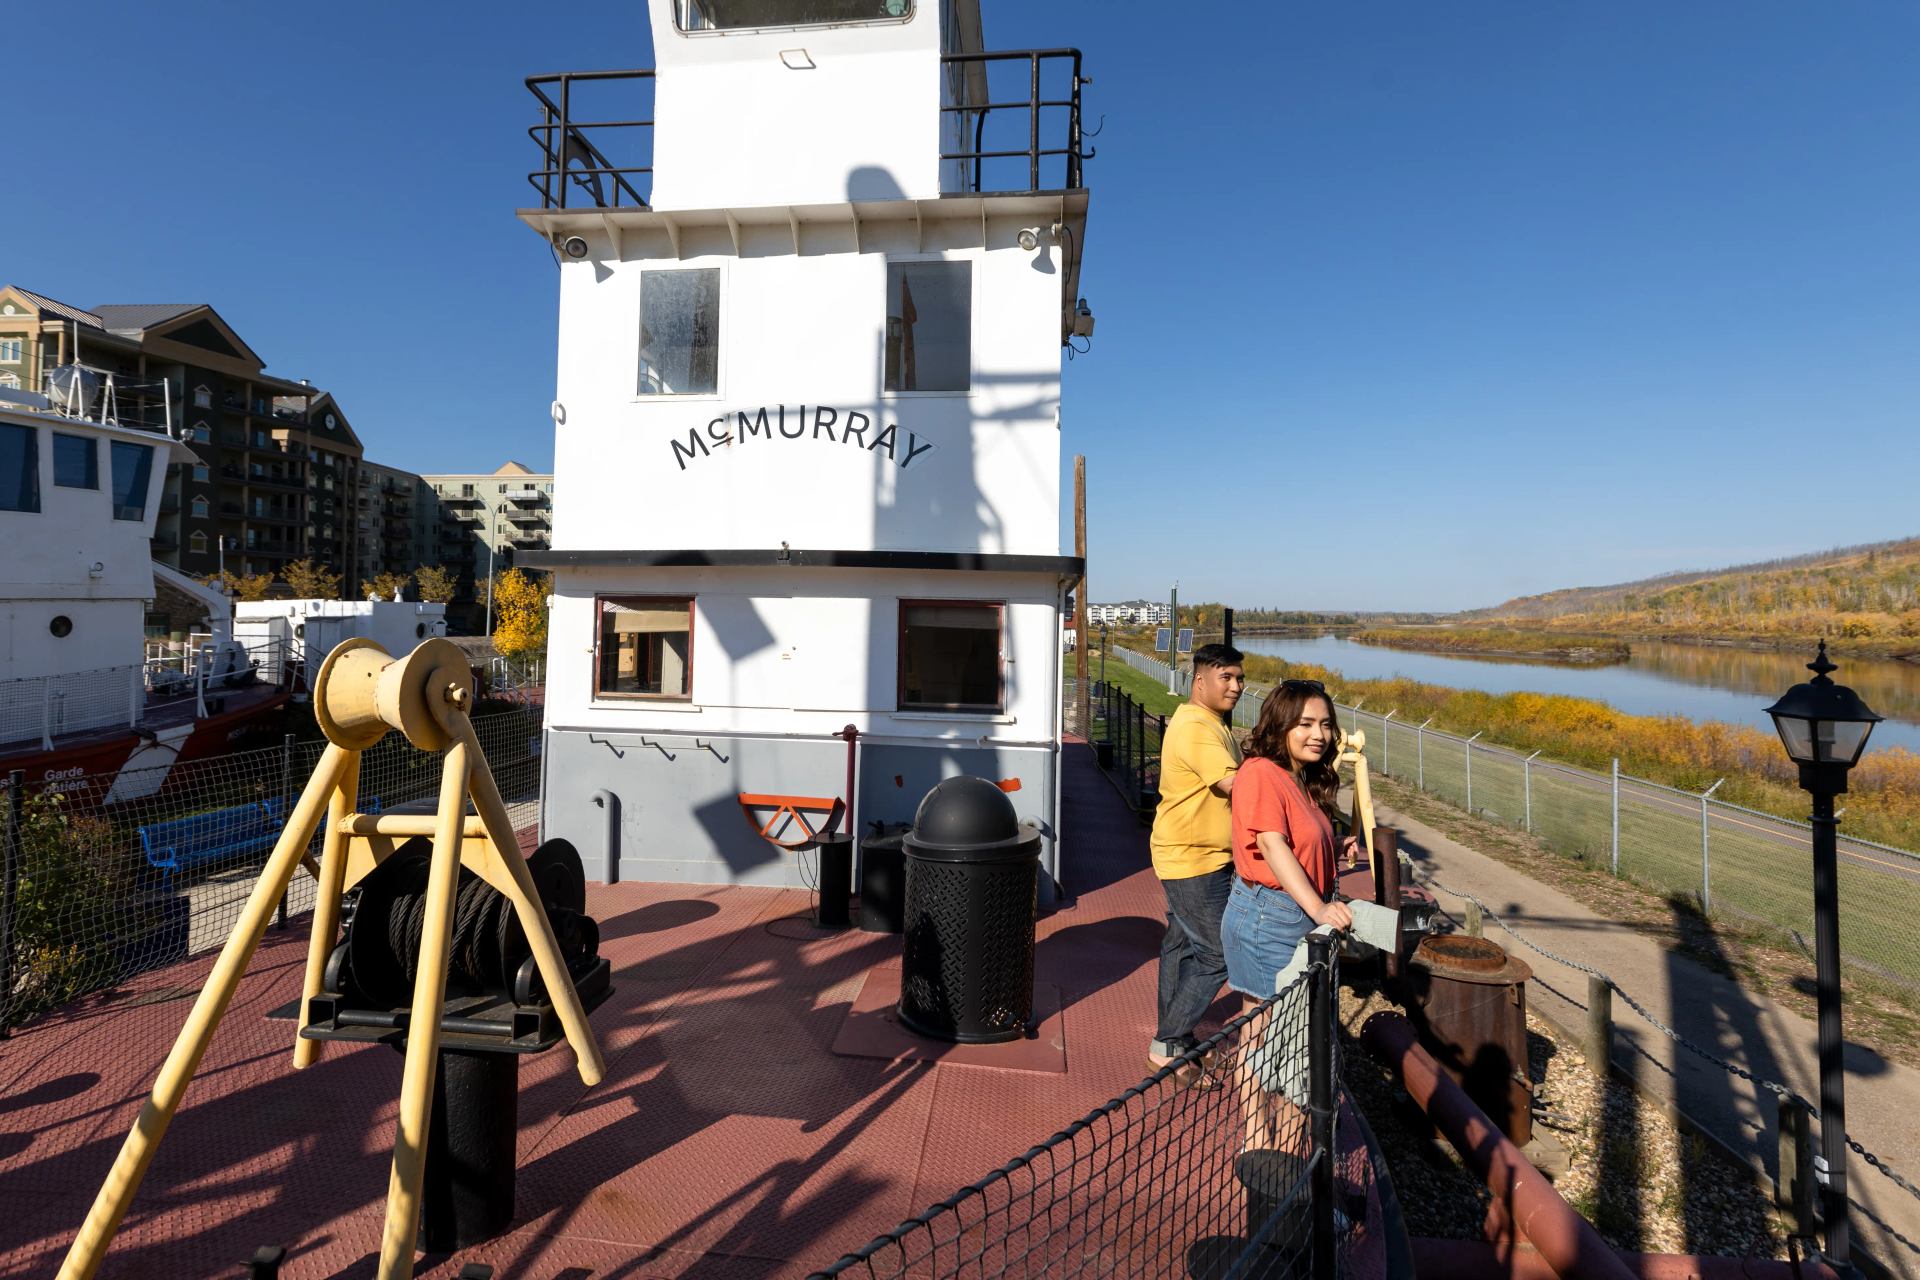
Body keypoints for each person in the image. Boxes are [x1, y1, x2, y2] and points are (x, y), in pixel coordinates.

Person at [1147, 642, 1247, 1084]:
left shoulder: (1209, 723)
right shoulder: (1196, 728)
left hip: (1197, 854)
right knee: (1218, 954)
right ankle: (1169, 1039)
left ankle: (1175, 1042)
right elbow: (1234, 784)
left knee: (1181, 946)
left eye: (1240, 678)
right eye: (1226, 678)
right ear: (1200, 681)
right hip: (1193, 860)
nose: (1236, 686)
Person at [1222, 679, 1357, 1005]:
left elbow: (1295, 838)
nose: (1319, 735)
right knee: (1270, 1025)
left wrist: (1332, 847)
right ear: (1280, 725)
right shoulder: (1261, 772)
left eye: (1325, 725)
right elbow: (1271, 844)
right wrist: (1320, 908)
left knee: (1280, 1026)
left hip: (1292, 912)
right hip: (1270, 917)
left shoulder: (1300, 775)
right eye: (1305, 724)